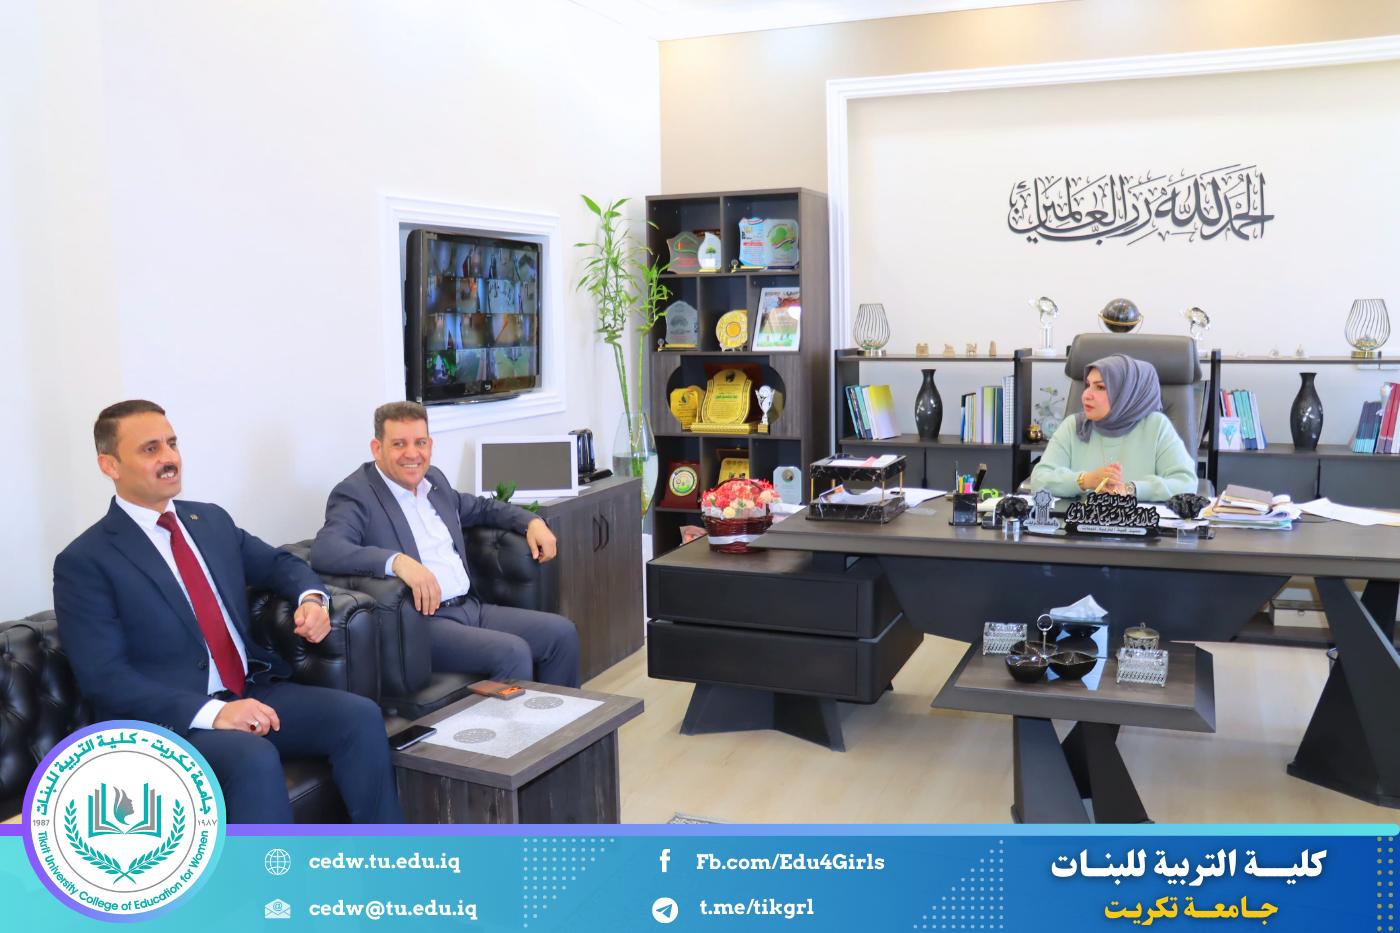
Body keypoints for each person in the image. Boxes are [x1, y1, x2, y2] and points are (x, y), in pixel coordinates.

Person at [53, 400, 403, 824]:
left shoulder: (209, 521)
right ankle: (270, 872)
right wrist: (215, 713)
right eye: (150, 449)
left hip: (249, 689)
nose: (169, 457)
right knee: (252, 756)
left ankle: (385, 855)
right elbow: (105, 679)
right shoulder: (85, 561)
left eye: (172, 443)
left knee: (360, 716)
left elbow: (281, 564)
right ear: (110, 465)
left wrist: (312, 599)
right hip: (167, 721)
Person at [311, 401, 580, 687]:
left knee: (561, 634)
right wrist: (398, 562)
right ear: (377, 448)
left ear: (430, 445)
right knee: (512, 653)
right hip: (422, 624)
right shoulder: (355, 493)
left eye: (420, 442)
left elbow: (481, 508)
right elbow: (327, 549)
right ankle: (518, 720)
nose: (412, 453)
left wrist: (531, 521)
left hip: (470, 607)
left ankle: (561, 717)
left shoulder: (433, 480)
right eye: (399, 444)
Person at [1029, 354, 1197, 501]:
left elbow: (1186, 483)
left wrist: (1131, 489)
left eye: (1100, 387)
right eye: (1088, 385)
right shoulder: (1073, 426)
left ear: (1125, 393)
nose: (1086, 395)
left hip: (1140, 524)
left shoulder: (1156, 426)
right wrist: (1085, 480)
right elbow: (1039, 480)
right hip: (1080, 523)